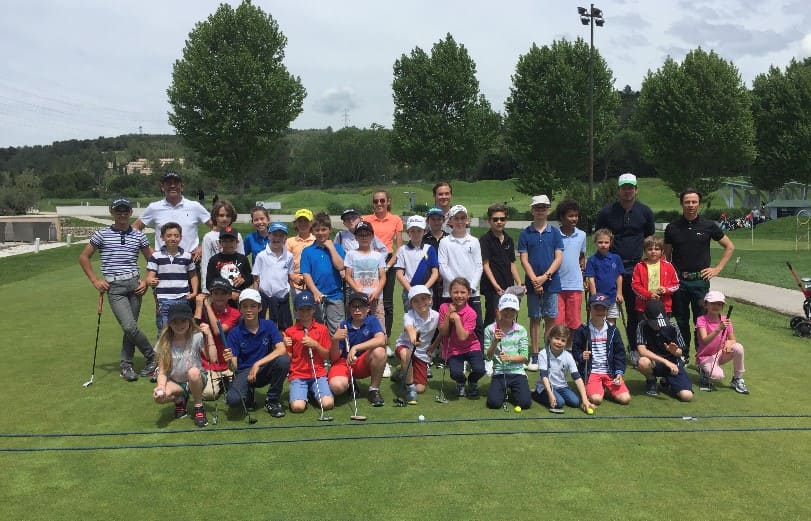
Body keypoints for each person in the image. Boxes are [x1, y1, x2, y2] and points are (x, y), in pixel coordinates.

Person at [79, 197, 156, 382]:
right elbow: (84, 257)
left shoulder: (138, 235)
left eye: (125, 211)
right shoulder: (102, 234)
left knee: (131, 328)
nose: (122, 214)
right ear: (112, 213)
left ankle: (126, 365)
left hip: (135, 286)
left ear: (130, 213)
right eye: (118, 211)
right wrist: (95, 280)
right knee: (129, 326)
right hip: (115, 288)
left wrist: (147, 280)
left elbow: (152, 260)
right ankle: (152, 356)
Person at [664, 188, 735, 361]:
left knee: (700, 320)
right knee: (681, 320)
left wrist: (717, 269)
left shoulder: (708, 226)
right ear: (681, 204)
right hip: (679, 281)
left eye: (694, 202)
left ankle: (701, 355)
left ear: (699, 204)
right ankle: (683, 354)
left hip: (700, 281)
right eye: (687, 202)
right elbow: (666, 257)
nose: (690, 205)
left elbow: (730, 246)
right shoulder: (672, 227)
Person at [594, 173, 656, 345]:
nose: (627, 191)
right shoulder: (607, 212)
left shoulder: (645, 212)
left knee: (635, 311)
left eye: (630, 188)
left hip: (636, 268)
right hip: (611, 268)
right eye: (624, 188)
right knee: (605, 309)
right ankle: (604, 346)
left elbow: (650, 239)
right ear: (618, 190)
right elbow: (599, 237)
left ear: (636, 190)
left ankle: (635, 347)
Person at [223, 289, 291, 417]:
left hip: (264, 369)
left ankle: (272, 400)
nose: (249, 310)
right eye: (245, 306)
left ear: (260, 308)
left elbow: (281, 349)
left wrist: (257, 364)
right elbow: (234, 367)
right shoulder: (234, 333)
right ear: (240, 309)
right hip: (244, 372)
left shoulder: (269, 325)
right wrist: (229, 360)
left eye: (253, 306)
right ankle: (248, 392)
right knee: (233, 401)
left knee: (283, 360)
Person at [151, 302, 217, 428]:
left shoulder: (197, 336)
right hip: (176, 381)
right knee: (159, 398)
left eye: (183, 321)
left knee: (193, 372)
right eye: (175, 322)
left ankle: (199, 407)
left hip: (197, 378)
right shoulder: (164, 342)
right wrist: (160, 387)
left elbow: (213, 359)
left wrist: (209, 335)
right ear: (169, 323)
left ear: (189, 321)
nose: (179, 325)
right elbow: (163, 372)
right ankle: (180, 399)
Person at [518, 195, 563, 371]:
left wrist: (545, 276)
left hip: (551, 282)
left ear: (548, 210)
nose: (540, 211)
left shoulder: (555, 232)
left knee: (550, 319)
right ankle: (535, 355)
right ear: (532, 210)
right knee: (535, 318)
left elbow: (558, 258)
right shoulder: (525, 233)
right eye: (537, 208)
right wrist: (535, 280)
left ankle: (548, 353)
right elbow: (524, 259)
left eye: (543, 208)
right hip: (532, 283)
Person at [133, 171, 211, 265]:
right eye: (168, 183)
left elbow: (216, 227)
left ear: (182, 187)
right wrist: (148, 249)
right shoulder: (154, 207)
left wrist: (203, 247)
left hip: (190, 261)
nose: (172, 186)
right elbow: (134, 228)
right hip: (163, 262)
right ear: (162, 187)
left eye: (176, 183)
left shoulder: (194, 206)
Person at [328, 292, 388, 406]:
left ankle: (374, 389)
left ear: (368, 308)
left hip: (362, 362)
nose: (357, 310)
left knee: (379, 351)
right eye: (354, 306)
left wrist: (356, 347)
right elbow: (334, 358)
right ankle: (350, 382)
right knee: (337, 387)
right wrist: (335, 340)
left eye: (361, 306)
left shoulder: (372, 320)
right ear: (349, 308)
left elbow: (381, 340)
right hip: (344, 363)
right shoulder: (343, 325)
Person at [572, 293, 631, 406]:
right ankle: (597, 388)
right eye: (596, 308)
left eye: (603, 308)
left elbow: (620, 353)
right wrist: (581, 356)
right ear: (589, 308)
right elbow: (575, 350)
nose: (600, 311)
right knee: (596, 399)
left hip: (610, 372)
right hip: (592, 372)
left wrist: (619, 372)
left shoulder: (613, 330)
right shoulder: (583, 329)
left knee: (625, 399)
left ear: (607, 310)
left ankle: (605, 388)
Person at [438, 204, 484, 348]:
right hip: (450, 293)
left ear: (467, 220)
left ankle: (478, 355)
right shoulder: (444, 242)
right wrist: (456, 287)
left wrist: (469, 287)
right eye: (456, 218)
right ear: (449, 221)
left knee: (476, 326)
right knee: (451, 326)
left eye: (462, 218)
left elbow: (479, 266)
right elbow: (443, 265)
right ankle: (452, 356)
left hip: (472, 292)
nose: (459, 221)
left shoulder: (474, 241)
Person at [283, 290, 334, 414]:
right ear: (296, 311)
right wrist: (284, 347)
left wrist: (315, 345)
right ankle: (303, 393)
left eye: (308, 309)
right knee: (297, 408)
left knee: (328, 404)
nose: (305, 313)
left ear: (314, 310)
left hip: (318, 373)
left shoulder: (322, 329)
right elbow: (288, 358)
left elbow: (327, 355)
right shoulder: (290, 331)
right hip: (298, 374)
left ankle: (312, 391)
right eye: (301, 310)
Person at [146, 222, 199, 339]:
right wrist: (150, 281)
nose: (173, 238)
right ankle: (161, 357)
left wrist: (194, 292)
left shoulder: (186, 256)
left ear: (180, 237)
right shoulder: (156, 256)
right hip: (164, 300)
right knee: (164, 331)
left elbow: (193, 275)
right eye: (169, 235)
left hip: (182, 298)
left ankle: (182, 357)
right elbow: (150, 275)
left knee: (183, 331)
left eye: (176, 235)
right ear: (162, 237)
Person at [364, 190, 403, 341]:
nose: (379, 204)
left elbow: (399, 247)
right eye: (376, 201)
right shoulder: (366, 219)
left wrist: (388, 265)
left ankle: (385, 340)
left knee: (387, 303)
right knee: (367, 300)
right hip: (368, 263)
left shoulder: (396, 220)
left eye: (382, 200)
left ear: (388, 202)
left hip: (388, 262)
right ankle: (367, 337)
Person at [636, 300, 693, 401]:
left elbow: (681, 352)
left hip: (674, 364)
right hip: (655, 363)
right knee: (643, 362)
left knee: (687, 396)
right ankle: (651, 380)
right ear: (645, 317)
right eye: (655, 323)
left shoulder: (672, 326)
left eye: (661, 321)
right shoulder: (642, 326)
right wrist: (666, 362)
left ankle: (668, 382)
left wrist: (675, 351)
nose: (658, 325)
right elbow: (642, 351)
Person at [194, 278, 241, 401]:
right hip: (209, 363)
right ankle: (222, 383)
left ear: (229, 295)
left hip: (230, 362)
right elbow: (194, 328)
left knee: (240, 393)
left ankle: (225, 381)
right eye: (215, 293)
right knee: (208, 395)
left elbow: (218, 331)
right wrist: (199, 306)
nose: (219, 297)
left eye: (223, 293)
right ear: (211, 294)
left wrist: (207, 306)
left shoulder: (235, 313)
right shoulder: (203, 311)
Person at [695, 290, 749, 394]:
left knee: (738, 347)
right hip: (705, 357)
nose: (716, 306)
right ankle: (704, 372)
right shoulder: (701, 320)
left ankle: (737, 379)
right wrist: (718, 329)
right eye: (713, 303)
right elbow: (705, 340)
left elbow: (732, 338)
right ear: (706, 305)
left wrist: (730, 342)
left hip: (721, 354)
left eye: (719, 304)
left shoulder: (725, 320)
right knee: (717, 376)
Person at [439, 277, 485, 398]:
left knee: (480, 369)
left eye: (463, 292)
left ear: (469, 294)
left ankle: (472, 381)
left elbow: (462, 337)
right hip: (454, 349)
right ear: (450, 293)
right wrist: (449, 314)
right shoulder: (444, 307)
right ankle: (461, 381)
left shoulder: (471, 313)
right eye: (455, 292)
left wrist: (458, 319)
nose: (459, 295)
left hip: (471, 346)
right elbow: (443, 333)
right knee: (455, 373)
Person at [301, 212, 346, 334]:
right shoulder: (307, 251)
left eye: (324, 229)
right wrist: (315, 291)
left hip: (335, 295)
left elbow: (340, 266)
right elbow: (306, 273)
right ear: (313, 231)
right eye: (317, 230)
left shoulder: (337, 248)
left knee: (337, 329)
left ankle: (337, 353)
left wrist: (331, 248)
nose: (320, 233)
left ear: (330, 229)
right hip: (315, 296)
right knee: (317, 329)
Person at [484, 293, 531, 410]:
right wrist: (494, 341)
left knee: (525, 403)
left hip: (517, 372)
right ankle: (504, 390)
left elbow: (525, 357)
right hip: (500, 372)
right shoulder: (489, 329)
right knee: (493, 403)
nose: (509, 313)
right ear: (499, 310)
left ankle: (514, 391)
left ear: (516, 312)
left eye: (512, 310)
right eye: (505, 309)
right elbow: (488, 357)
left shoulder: (521, 330)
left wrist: (509, 358)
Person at [394, 285, 440, 404]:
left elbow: (443, 332)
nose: (420, 303)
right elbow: (409, 328)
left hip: (422, 354)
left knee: (420, 388)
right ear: (411, 304)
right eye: (416, 301)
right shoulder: (408, 315)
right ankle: (409, 388)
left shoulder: (436, 315)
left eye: (424, 299)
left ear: (430, 299)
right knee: (406, 353)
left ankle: (401, 374)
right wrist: (414, 338)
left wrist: (434, 346)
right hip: (405, 346)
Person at [532, 325, 593, 413]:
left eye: (563, 340)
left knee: (576, 402)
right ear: (550, 338)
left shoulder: (568, 356)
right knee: (559, 403)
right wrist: (550, 394)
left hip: (562, 386)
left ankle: (557, 395)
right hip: (546, 387)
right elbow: (544, 376)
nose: (559, 342)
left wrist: (585, 399)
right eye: (556, 338)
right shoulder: (543, 354)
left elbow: (577, 378)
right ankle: (536, 394)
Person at [479, 203, 523, 326]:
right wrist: (496, 285)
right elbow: (485, 265)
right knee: (492, 318)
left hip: (508, 286)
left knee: (508, 317)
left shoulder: (508, 239)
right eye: (495, 219)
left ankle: (507, 344)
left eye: (502, 219)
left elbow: (512, 263)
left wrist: (519, 282)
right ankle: (488, 345)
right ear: (489, 221)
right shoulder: (485, 239)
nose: (499, 222)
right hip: (492, 288)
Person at [344, 220, 387, 334]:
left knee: (379, 321)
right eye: (360, 235)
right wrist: (358, 292)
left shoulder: (378, 255)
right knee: (358, 322)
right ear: (356, 237)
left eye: (367, 234)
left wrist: (377, 292)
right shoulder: (351, 255)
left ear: (372, 236)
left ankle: (381, 345)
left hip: (375, 296)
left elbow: (383, 277)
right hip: (358, 297)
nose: (364, 237)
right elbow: (348, 276)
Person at [554, 199, 587, 346]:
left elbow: (581, 257)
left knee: (574, 320)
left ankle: (570, 347)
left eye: (576, 215)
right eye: (570, 216)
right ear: (561, 217)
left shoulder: (582, 235)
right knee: (558, 320)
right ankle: (557, 347)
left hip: (575, 284)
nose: (574, 219)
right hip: (556, 284)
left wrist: (584, 277)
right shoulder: (554, 234)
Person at [252, 222, 295, 329]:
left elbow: (290, 276)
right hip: (265, 298)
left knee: (284, 329)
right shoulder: (261, 256)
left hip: (282, 299)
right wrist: (256, 298)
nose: (277, 238)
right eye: (274, 235)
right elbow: (256, 279)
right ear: (269, 235)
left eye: (281, 235)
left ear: (285, 238)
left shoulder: (289, 256)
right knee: (263, 328)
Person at [394, 215, 439, 311]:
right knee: (410, 321)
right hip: (409, 291)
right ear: (408, 232)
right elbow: (399, 274)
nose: (416, 233)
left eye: (419, 230)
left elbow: (435, 273)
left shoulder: (429, 249)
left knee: (427, 320)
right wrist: (411, 290)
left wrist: (424, 289)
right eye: (412, 231)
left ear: (424, 232)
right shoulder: (402, 250)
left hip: (427, 290)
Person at [200, 199, 244, 293]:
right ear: (215, 216)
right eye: (221, 215)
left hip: (234, 283)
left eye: (228, 215)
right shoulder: (209, 237)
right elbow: (205, 263)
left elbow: (241, 260)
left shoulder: (237, 235)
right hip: (215, 283)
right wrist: (205, 288)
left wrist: (241, 283)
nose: (224, 218)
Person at [631, 235, 680, 319]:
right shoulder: (639, 266)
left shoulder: (668, 266)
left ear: (662, 251)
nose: (653, 251)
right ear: (645, 251)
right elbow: (635, 286)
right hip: (643, 307)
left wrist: (666, 290)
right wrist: (649, 295)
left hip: (664, 306)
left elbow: (675, 284)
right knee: (645, 330)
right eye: (650, 249)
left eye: (656, 249)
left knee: (664, 331)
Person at [584, 228, 624, 328]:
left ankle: (609, 343)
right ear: (595, 243)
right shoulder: (592, 260)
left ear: (610, 243)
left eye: (606, 242)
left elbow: (619, 277)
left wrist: (619, 293)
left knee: (611, 324)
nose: (603, 244)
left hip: (612, 297)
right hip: (598, 298)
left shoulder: (616, 258)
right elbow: (591, 280)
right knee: (597, 322)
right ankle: (598, 343)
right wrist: (594, 297)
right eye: (600, 242)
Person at [205, 229, 253, 306]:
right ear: (220, 243)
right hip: (220, 298)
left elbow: (250, 278)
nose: (228, 244)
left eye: (231, 240)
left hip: (238, 298)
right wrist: (227, 293)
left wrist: (243, 279)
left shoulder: (242, 259)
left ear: (237, 242)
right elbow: (209, 283)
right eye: (225, 241)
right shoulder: (214, 260)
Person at [423, 206, 448, 311]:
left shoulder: (449, 238)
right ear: (428, 220)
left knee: (445, 311)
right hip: (429, 280)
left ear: (443, 220)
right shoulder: (423, 240)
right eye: (433, 219)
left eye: (439, 219)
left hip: (446, 281)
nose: (436, 222)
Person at [286, 208, 316, 296]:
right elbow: (285, 263)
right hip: (296, 283)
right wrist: (293, 278)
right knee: (298, 308)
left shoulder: (316, 240)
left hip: (314, 282)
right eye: (300, 221)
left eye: (306, 221)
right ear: (295, 223)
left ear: (311, 223)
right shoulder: (289, 241)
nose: (303, 223)